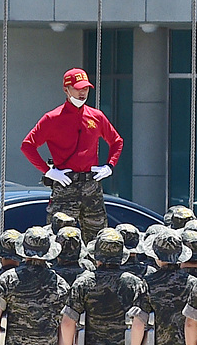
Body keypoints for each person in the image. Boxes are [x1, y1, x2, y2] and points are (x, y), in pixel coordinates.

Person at [21, 67, 124, 243]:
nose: (83, 92)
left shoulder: (96, 116)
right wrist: (48, 171)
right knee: (61, 239)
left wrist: (110, 166)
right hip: (65, 184)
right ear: (66, 89)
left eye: (85, 88)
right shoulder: (52, 118)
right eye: (78, 88)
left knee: (98, 239)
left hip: (91, 186)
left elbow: (117, 141)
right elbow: (27, 146)